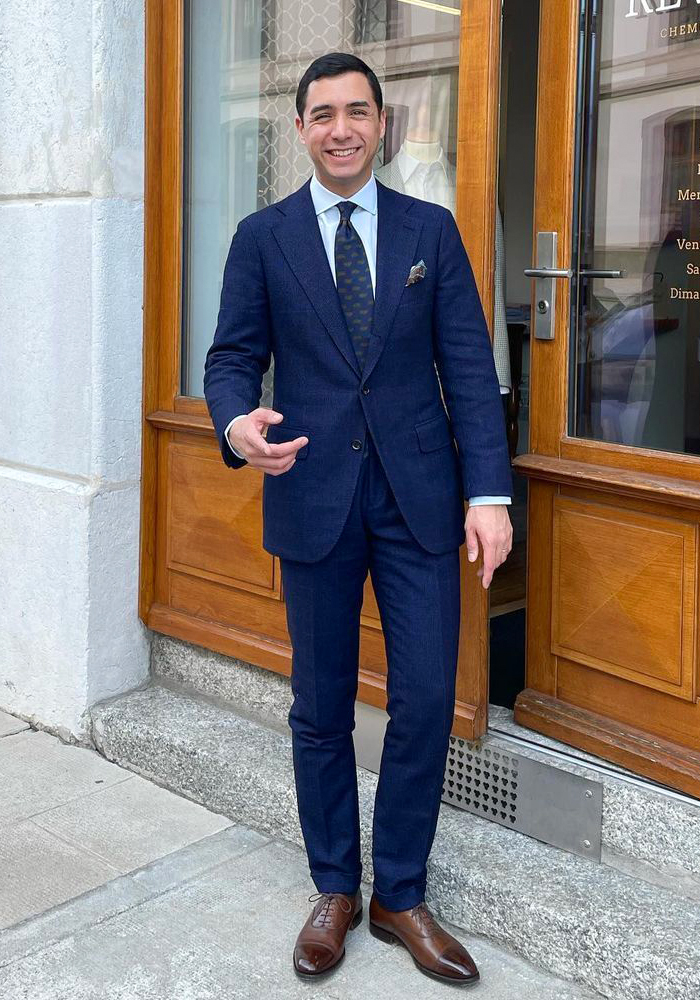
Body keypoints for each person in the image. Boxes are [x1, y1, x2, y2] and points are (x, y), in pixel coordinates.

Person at [204, 52, 513, 987]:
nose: (341, 128)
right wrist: (235, 424)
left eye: (358, 112)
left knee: (424, 700)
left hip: (419, 500)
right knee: (320, 705)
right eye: (322, 114)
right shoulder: (263, 238)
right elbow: (230, 359)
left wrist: (488, 496)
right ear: (298, 129)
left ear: (383, 125)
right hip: (314, 497)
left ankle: (401, 895)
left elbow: (467, 366)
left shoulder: (431, 229)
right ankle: (336, 886)